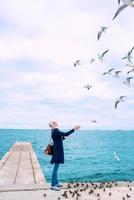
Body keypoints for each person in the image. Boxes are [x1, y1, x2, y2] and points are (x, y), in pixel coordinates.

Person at [48, 121, 80, 191]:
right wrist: (74, 129)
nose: (57, 123)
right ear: (53, 125)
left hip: (57, 150)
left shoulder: (53, 131)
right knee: (55, 169)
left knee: (56, 168)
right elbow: (65, 133)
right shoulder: (56, 130)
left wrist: (65, 138)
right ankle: (53, 185)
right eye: (55, 123)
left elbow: (58, 139)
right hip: (57, 151)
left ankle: (56, 183)